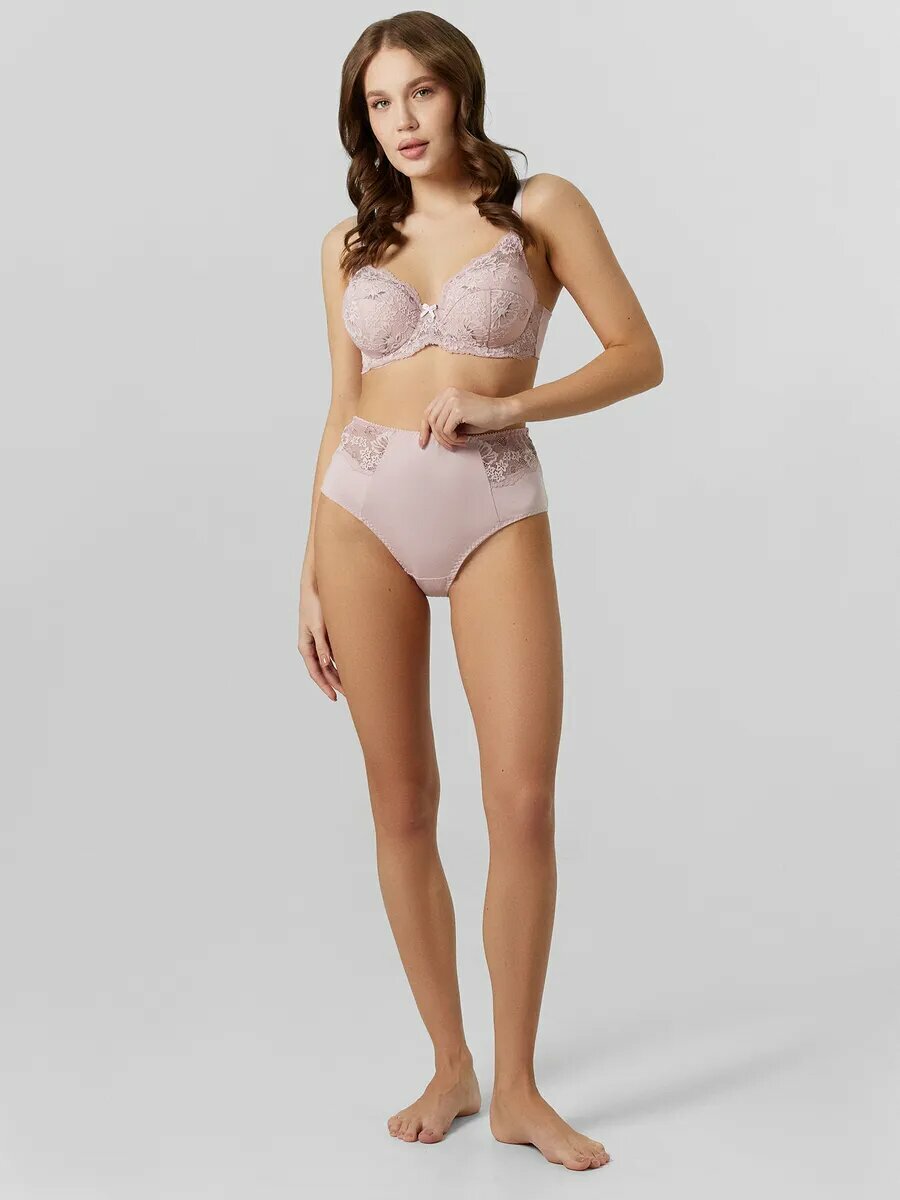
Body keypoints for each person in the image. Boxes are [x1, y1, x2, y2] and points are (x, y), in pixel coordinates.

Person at [298, 12, 663, 1173]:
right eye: (379, 103)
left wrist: (511, 405)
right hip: (360, 516)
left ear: (462, 92)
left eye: (421, 93)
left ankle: (516, 1089)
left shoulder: (540, 208)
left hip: (495, 505)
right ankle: (451, 1062)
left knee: (522, 803)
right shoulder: (348, 243)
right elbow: (341, 403)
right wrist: (309, 572)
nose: (402, 121)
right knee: (401, 802)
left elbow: (637, 353)